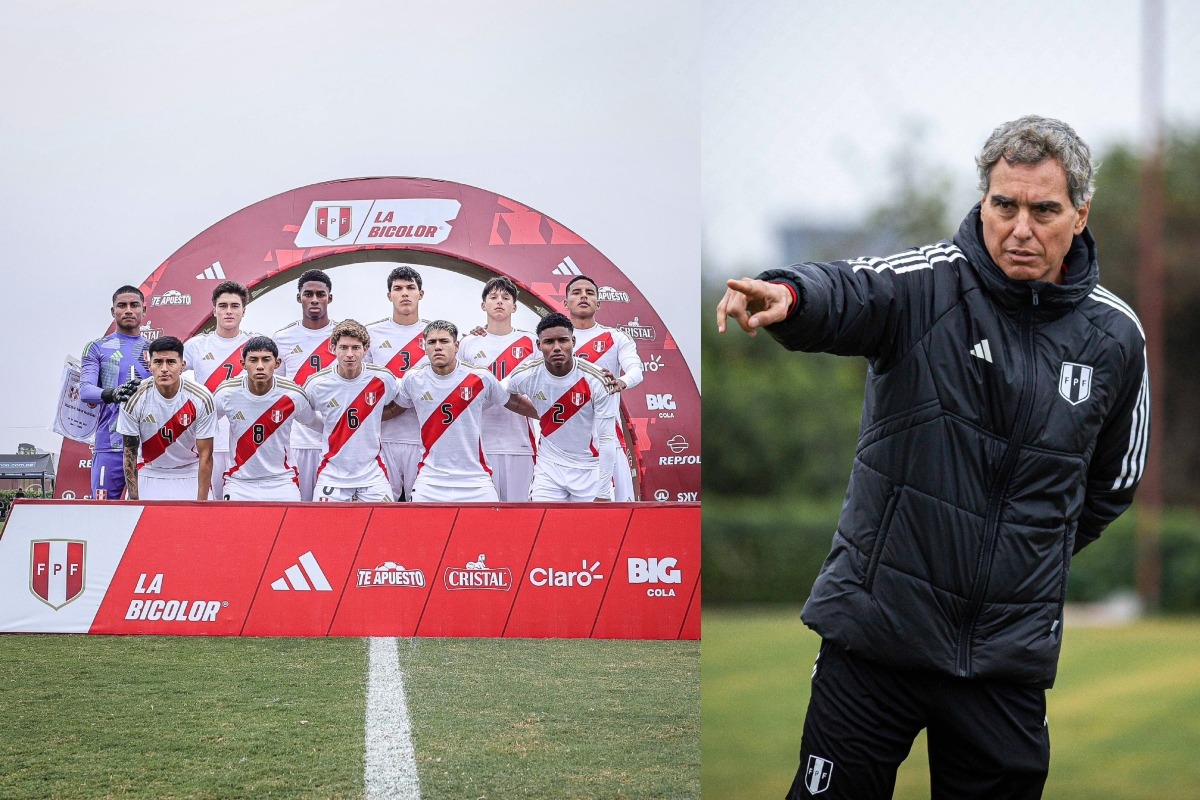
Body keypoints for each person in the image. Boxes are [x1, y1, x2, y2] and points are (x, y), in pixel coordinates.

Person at [716, 116, 1148, 800]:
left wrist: (1028, 551)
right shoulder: (928, 285)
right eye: (1003, 205)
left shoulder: (1116, 335)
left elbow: (1114, 481)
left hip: (1005, 658)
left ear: (1080, 213)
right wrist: (789, 296)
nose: (1020, 228)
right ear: (983, 202)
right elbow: (850, 289)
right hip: (876, 635)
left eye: (1044, 209)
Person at [394, 320, 537, 503]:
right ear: (425, 347)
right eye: (432, 342)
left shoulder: (480, 377)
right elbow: (394, 409)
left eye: (444, 342)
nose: (438, 347)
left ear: (456, 346)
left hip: (476, 479)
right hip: (430, 480)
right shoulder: (413, 379)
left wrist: (549, 417)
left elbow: (514, 403)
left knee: (489, 530)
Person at [503, 313, 617, 502]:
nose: (557, 348)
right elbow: (498, 392)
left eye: (563, 340)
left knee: (595, 530)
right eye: (549, 342)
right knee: (544, 527)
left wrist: (603, 492)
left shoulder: (598, 379)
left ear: (573, 341)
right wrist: (540, 413)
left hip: (589, 469)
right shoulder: (526, 374)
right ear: (539, 345)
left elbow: (607, 439)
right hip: (549, 468)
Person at [303, 320, 401, 502]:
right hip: (332, 472)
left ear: (366, 349)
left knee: (383, 525)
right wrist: (331, 428)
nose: (349, 354)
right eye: (343, 347)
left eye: (356, 348)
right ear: (333, 348)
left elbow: (402, 400)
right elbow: (304, 415)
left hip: (372, 472)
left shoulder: (383, 378)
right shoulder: (317, 383)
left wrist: (370, 418)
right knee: (325, 528)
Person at [459, 276, 538, 501]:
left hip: (520, 443)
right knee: (484, 518)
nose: (499, 302)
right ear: (484, 305)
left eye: (506, 297)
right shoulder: (469, 343)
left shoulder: (530, 341)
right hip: (480, 443)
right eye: (493, 297)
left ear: (514, 306)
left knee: (520, 515)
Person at [564, 275, 643, 500]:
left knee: (615, 512)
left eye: (589, 293)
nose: (583, 296)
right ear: (566, 303)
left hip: (606, 438)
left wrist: (621, 381)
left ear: (598, 303)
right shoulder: (554, 340)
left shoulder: (616, 338)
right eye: (576, 292)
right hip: (563, 442)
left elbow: (636, 371)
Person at [212, 336, 317, 501]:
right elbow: (202, 425)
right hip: (239, 483)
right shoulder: (226, 393)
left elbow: (314, 423)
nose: (260, 366)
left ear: (277, 363)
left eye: (266, 360)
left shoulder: (293, 394)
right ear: (243, 364)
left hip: (281, 482)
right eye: (253, 360)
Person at [118, 336, 217, 502]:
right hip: (151, 471)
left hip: (190, 472)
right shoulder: (134, 397)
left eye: (171, 362)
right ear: (149, 365)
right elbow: (130, 455)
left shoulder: (202, 397)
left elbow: (206, 455)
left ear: (182, 365)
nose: (164, 368)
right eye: (158, 362)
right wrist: (133, 501)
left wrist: (202, 503)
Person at [183, 280, 257, 500]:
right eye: (223, 306)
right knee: (207, 504)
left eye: (235, 306)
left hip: (244, 437)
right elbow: (168, 375)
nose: (228, 311)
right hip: (207, 438)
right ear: (214, 309)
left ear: (243, 310)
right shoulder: (196, 346)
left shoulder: (256, 344)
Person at [79, 285, 152, 499]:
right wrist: (114, 393)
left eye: (134, 305)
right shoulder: (97, 347)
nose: (128, 310)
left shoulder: (156, 349)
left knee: (147, 516)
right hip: (109, 445)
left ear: (144, 310)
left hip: (148, 447)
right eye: (122, 305)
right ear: (113, 312)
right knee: (102, 513)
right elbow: (86, 390)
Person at [366, 266, 429, 501]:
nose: (405, 293)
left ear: (420, 294)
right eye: (398, 288)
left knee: (422, 510)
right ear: (389, 295)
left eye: (410, 288)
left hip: (423, 436)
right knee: (382, 507)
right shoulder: (371, 334)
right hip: (383, 437)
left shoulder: (435, 333)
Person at [274, 269, 337, 501]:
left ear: (329, 298)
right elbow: (278, 386)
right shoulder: (282, 338)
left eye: (320, 294)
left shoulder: (342, 336)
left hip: (334, 436)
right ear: (299, 297)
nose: (314, 299)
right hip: (296, 438)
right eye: (308, 293)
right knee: (297, 507)